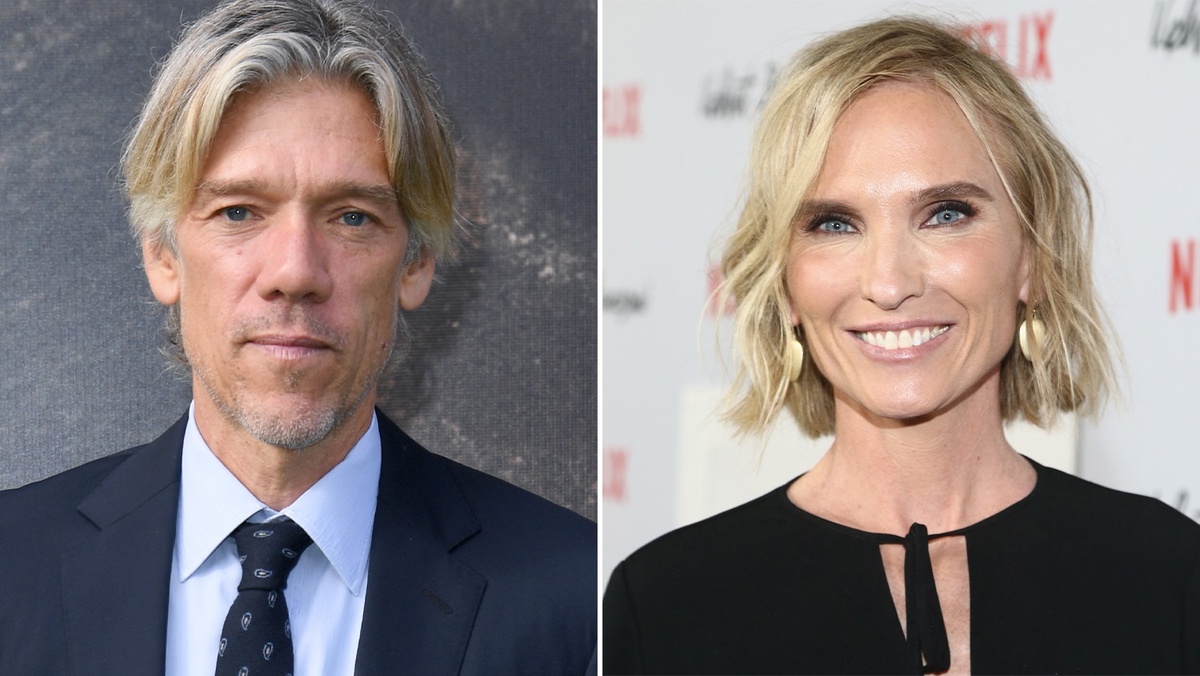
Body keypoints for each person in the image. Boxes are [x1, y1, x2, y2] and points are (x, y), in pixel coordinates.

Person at [0, 1, 596, 674]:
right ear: (161, 253)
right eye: (238, 212)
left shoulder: (575, 601)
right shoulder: (11, 569)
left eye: (351, 217)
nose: (294, 273)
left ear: (417, 261)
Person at [603, 16, 1200, 675]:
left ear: (1030, 256)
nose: (889, 284)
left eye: (945, 214)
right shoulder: (666, 604)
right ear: (786, 283)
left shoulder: (1170, 575)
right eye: (834, 224)